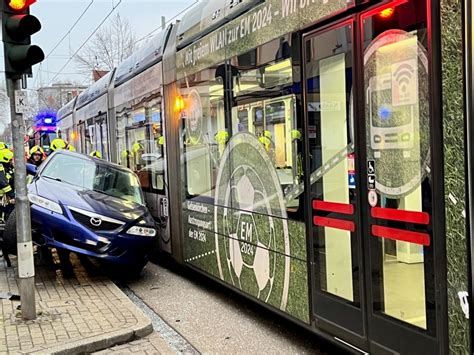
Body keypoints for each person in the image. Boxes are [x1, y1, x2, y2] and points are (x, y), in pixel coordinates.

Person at [0, 148, 15, 221]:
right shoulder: (0, 168)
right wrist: (12, 195)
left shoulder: (7, 168)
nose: (11, 161)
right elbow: (3, 183)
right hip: (2, 198)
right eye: (10, 160)